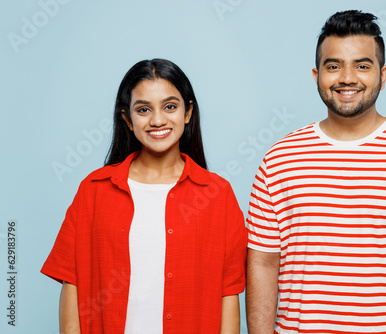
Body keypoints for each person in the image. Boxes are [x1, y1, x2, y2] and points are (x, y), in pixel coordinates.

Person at [246, 10, 386, 334]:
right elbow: (262, 262)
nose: (347, 78)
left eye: (362, 65)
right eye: (334, 65)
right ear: (317, 75)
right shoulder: (279, 158)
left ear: (383, 74)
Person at [41, 59, 247, 334]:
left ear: (187, 112)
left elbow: (228, 293)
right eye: (143, 109)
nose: (158, 120)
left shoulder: (216, 195)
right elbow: (72, 283)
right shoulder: (94, 190)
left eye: (170, 106)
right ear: (127, 119)